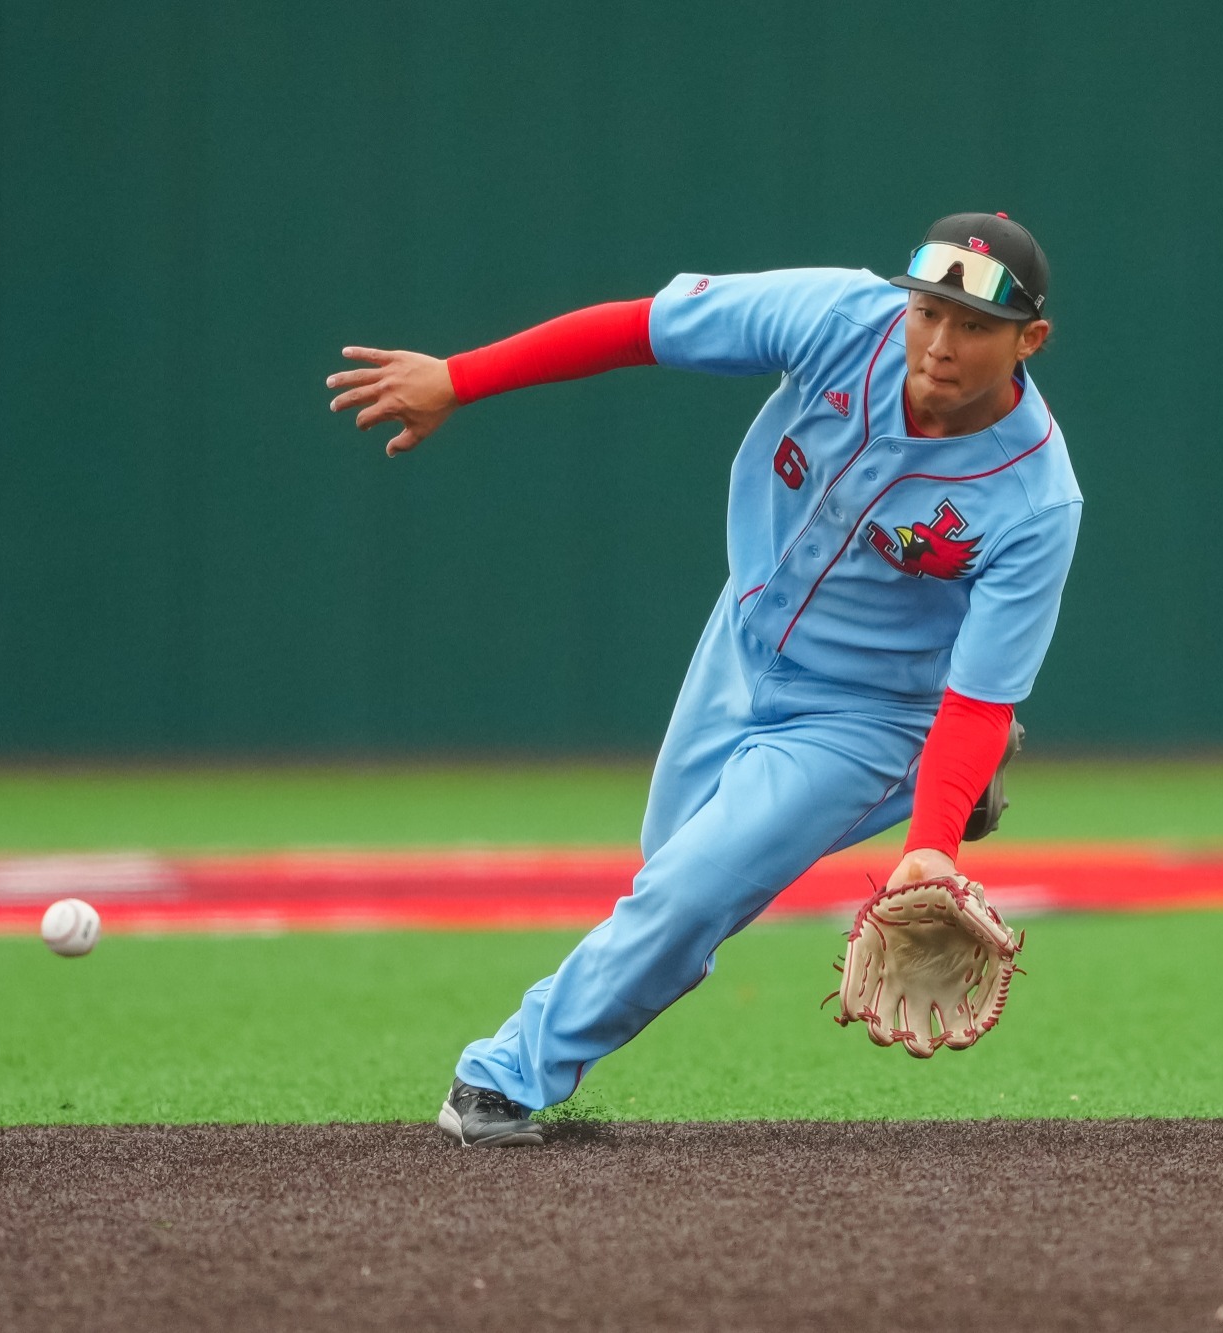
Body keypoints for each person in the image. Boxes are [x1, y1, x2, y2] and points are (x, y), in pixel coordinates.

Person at [325, 213, 1081, 1144]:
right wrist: (459, 378)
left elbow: (979, 693)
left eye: (973, 325)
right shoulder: (842, 317)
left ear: (1028, 340)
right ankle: (949, 785)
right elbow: (643, 328)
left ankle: (501, 1079)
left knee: (683, 897)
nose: (940, 342)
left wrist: (932, 849)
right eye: (930, 310)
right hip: (742, 638)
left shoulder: (1036, 497)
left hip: (874, 713)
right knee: (667, 878)